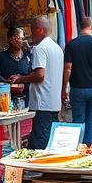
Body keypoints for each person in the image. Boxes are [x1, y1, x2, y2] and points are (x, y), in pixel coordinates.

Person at [23, 16, 66, 149]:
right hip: (54, 104)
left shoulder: (40, 48)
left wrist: (20, 79)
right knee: (50, 142)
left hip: (42, 104)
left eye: (32, 30)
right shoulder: (57, 48)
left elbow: (39, 75)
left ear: (40, 30)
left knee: (39, 144)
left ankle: (37, 170)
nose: (31, 34)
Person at [0, 26, 33, 108]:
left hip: (28, 101)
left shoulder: (29, 56)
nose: (21, 41)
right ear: (10, 40)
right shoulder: (0, 57)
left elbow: (35, 76)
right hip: (6, 101)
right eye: (18, 38)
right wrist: (7, 83)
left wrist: (23, 81)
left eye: (22, 38)